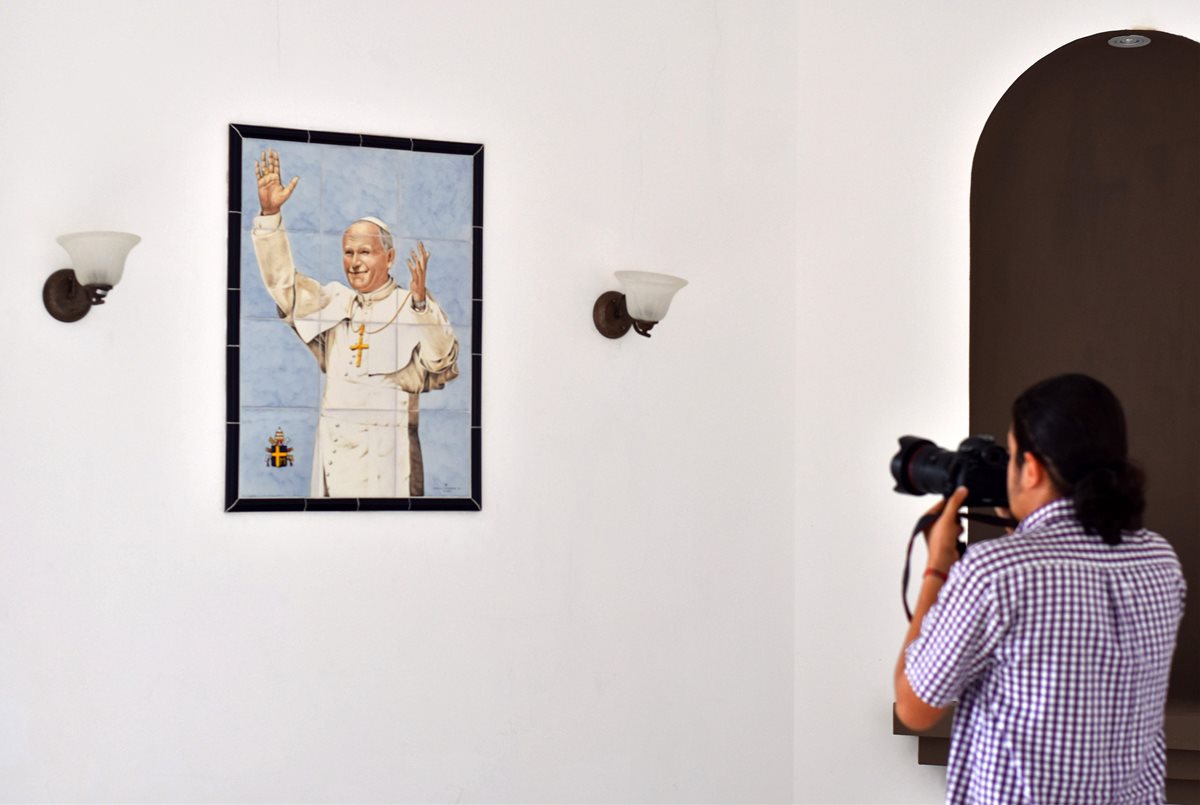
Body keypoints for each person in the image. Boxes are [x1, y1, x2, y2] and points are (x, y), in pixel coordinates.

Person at [895, 373, 1185, 804]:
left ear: (1030, 469)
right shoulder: (1160, 561)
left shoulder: (994, 573)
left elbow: (915, 706)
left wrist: (936, 570)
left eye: (1010, 456)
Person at [250, 149, 459, 498]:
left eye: (365, 252)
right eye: (348, 252)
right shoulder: (335, 300)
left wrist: (422, 304)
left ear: (389, 257)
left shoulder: (414, 305)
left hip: (386, 462)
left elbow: (440, 359)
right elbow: (283, 284)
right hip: (333, 456)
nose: (354, 262)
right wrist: (271, 215)